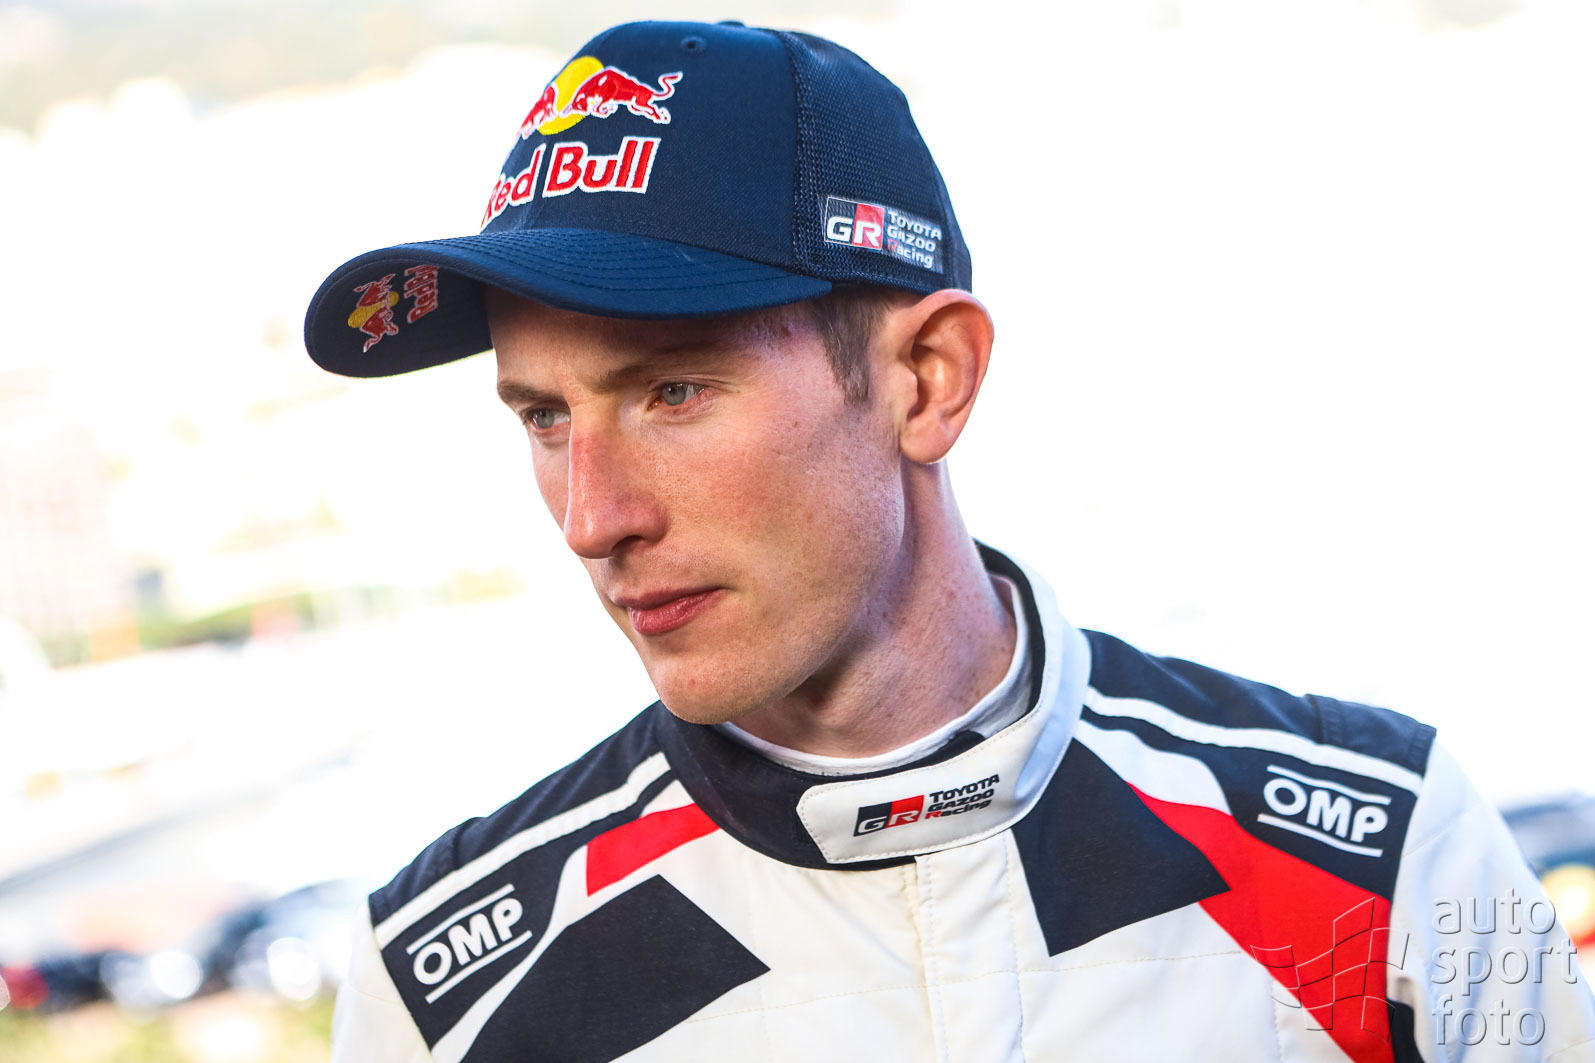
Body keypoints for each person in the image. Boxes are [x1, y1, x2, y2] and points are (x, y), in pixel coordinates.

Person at [303, 20, 1594, 1063]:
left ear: (930, 379)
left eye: (673, 392)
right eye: (543, 417)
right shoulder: (440, 1001)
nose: (595, 518)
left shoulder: (1390, 857)